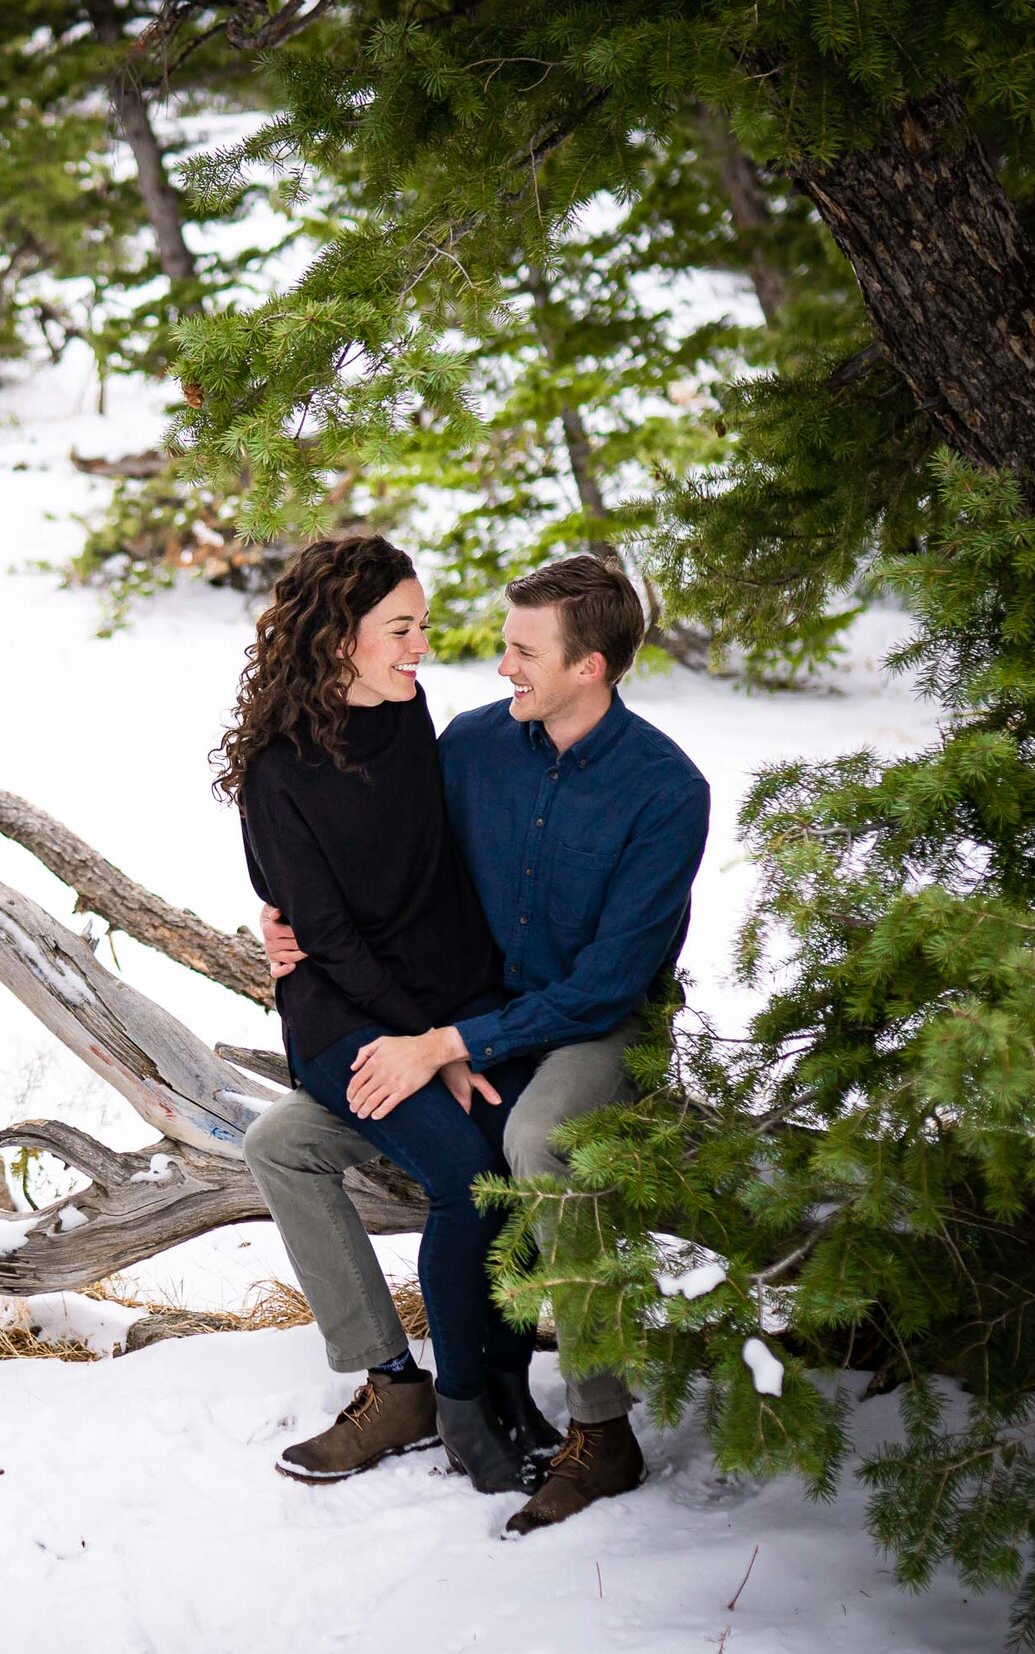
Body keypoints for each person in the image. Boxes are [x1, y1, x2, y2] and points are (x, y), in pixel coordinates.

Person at [247, 551, 710, 1534]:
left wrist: (442, 1041)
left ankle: (600, 1426)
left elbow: (604, 986)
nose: (500, 667)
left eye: (522, 651)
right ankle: (394, 1381)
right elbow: (370, 849)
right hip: (459, 1007)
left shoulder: (666, 791)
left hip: (587, 1025)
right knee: (279, 1142)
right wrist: (278, 917)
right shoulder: (466, 744)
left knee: (533, 1143)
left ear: (590, 667)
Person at [220, 535, 542, 1495]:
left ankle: (511, 1385)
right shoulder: (278, 773)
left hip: (450, 998)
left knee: (515, 1152)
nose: (420, 646)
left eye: (423, 625)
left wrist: (458, 1031)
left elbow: (423, 884)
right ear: (337, 639)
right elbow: (332, 938)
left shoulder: (407, 716)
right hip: (345, 1020)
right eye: (400, 628)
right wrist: (433, 1050)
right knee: (466, 1174)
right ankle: (429, 1396)